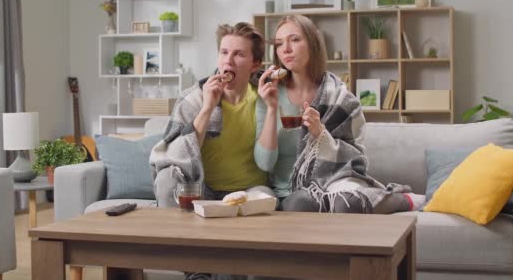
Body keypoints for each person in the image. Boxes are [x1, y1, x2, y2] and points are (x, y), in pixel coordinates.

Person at [255, 14, 425, 213]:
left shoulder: (340, 97)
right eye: (279, 43)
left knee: (346, 203)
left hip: (335, 181)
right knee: (300, 203)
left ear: (312, 43)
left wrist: (320, 133)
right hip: (291, 190)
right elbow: (265, 164)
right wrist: (272, 108)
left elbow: (355, 157)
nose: (286, 49)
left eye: (294, 40)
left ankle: (406, 200)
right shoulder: (268, 95)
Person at [150, 22, 274, 207]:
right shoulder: (193, 99)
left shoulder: (266, 97)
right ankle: (173, 235)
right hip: (202, 189)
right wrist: (207, 108)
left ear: (255, 64)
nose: (228, 61)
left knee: (265, 198)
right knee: (166, 179)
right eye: (224, 52)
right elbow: (178, 156)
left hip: (250, 190)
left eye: (238, 54)